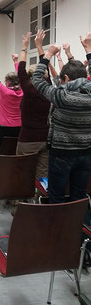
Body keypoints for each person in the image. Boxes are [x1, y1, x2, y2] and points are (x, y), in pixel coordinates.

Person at [32, 33, 91, 204]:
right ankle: (76, 229)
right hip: (86, 152)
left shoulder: (61, 96)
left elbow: (37, 79)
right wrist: (88, 49)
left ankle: (57, 229)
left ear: (65, 79)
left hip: (61, 153)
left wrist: (47, 54)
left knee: (56, 196)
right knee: (78, 196)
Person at [16, 30, 51, 181]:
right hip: (45, 138)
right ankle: (40, 201)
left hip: (28, 139)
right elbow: (46, 68)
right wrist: (39, 46)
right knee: (42, 175)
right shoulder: (48, 88)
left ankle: (22, 202)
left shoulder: (29, 90)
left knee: (23, 173)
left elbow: (21, 69)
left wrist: (25, 47)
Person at [0, 51, 23, 154]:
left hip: (5, 127)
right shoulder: (22, 91)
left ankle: (4, 169)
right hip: (19, 126)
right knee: (16, 150)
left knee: (4, 152)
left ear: (7, 82)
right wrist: (16, 62)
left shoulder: (5, 92)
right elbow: (21, 77)